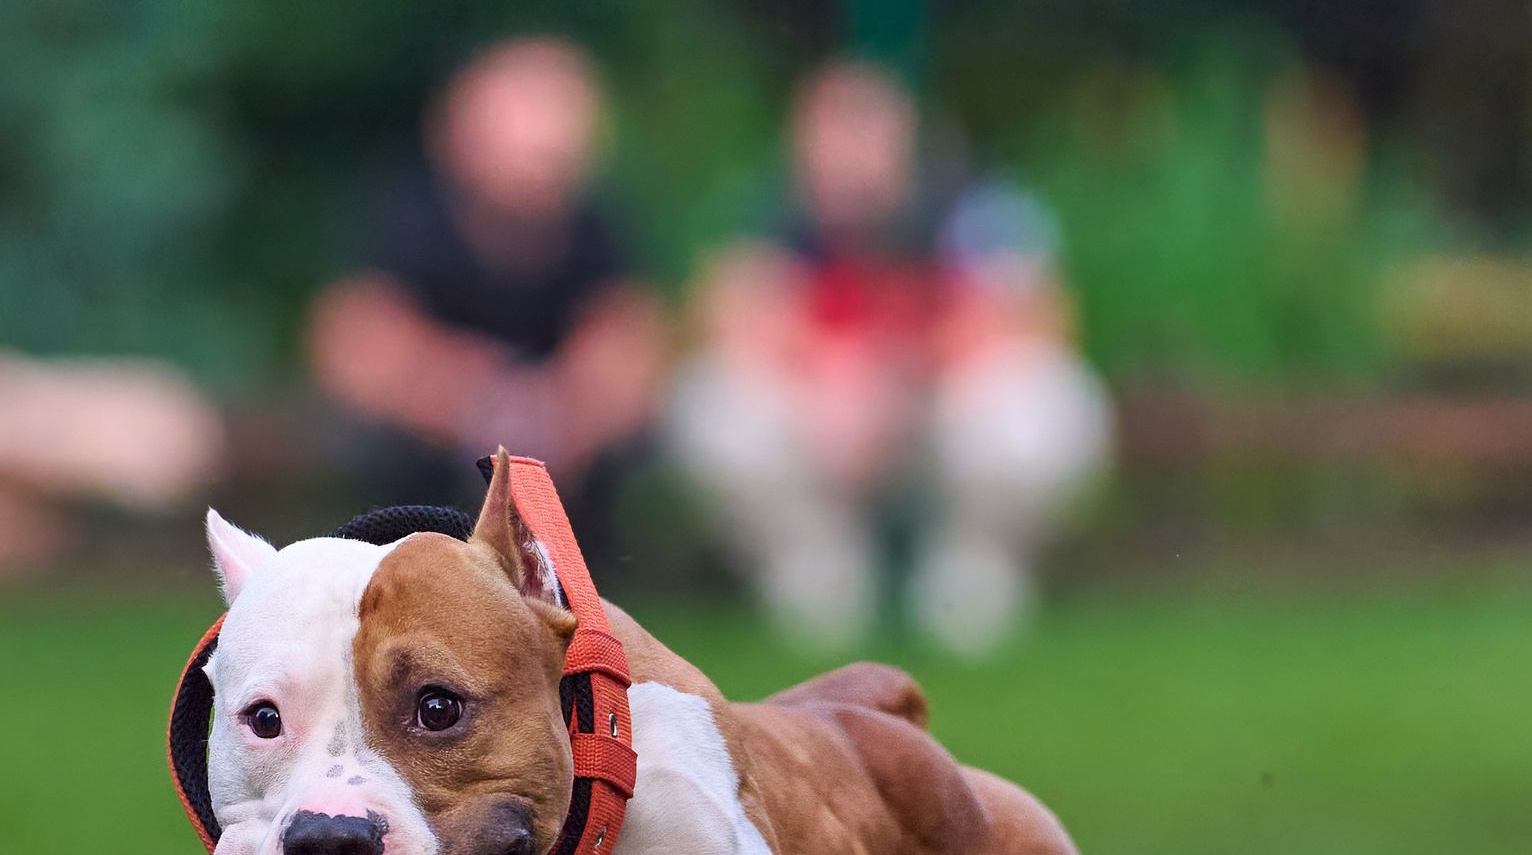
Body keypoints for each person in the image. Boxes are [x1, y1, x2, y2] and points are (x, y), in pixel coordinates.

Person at [668, 60, 1111, 654]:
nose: (852, 156)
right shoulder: (770, 211)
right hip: (822, 427)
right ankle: (814, 565)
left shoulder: (971, 206)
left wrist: (899, 373)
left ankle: (972, 569)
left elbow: (1037, 312)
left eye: (868, 132)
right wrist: (829, 369)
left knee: (1044, 397)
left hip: (941, 419)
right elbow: (725, 310)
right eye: (833, 133)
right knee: (713, 398)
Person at [307, 38, 664, 565]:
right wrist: (474, 403)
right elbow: (353, 345)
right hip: (427, 453)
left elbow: (631, 343)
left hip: (560, 454)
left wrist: (562, 410)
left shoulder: (600, 227)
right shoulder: (407, 216)